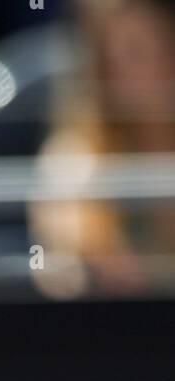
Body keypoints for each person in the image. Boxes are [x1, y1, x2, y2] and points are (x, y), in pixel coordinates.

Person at [31, 0, 175, 297]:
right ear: (103, 65)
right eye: (136, 53)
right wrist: (85, 252)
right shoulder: (75, 152)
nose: (161, 67)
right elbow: (59, 268)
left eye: (168, 46)